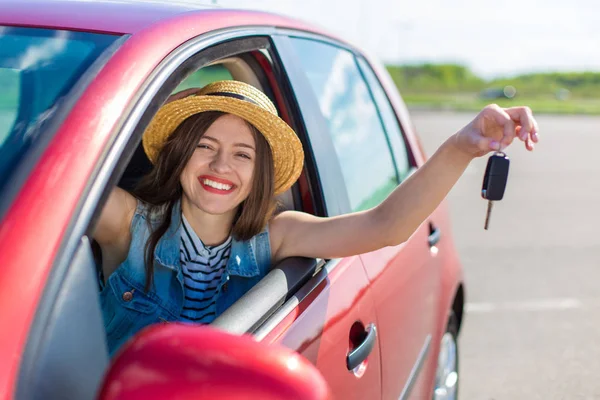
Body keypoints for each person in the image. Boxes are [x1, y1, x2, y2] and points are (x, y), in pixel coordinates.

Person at [95, 80, 539, 355]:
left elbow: (385, 226)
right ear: (178, 154)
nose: (220, 165)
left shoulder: (277, 235)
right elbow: (64, 182)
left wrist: (462, 145)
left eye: (242, 154)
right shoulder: (129, 223)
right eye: (204, 146)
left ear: (261, 174)